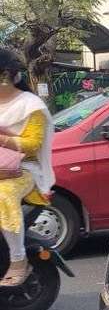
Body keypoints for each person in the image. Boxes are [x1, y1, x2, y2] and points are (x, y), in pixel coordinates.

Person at [0, 48, 55, 286]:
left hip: (22, 171)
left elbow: (33, 145)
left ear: (6, 75)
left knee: (3, 195)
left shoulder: (30, 105)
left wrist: (2, 138)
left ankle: (18, 259)